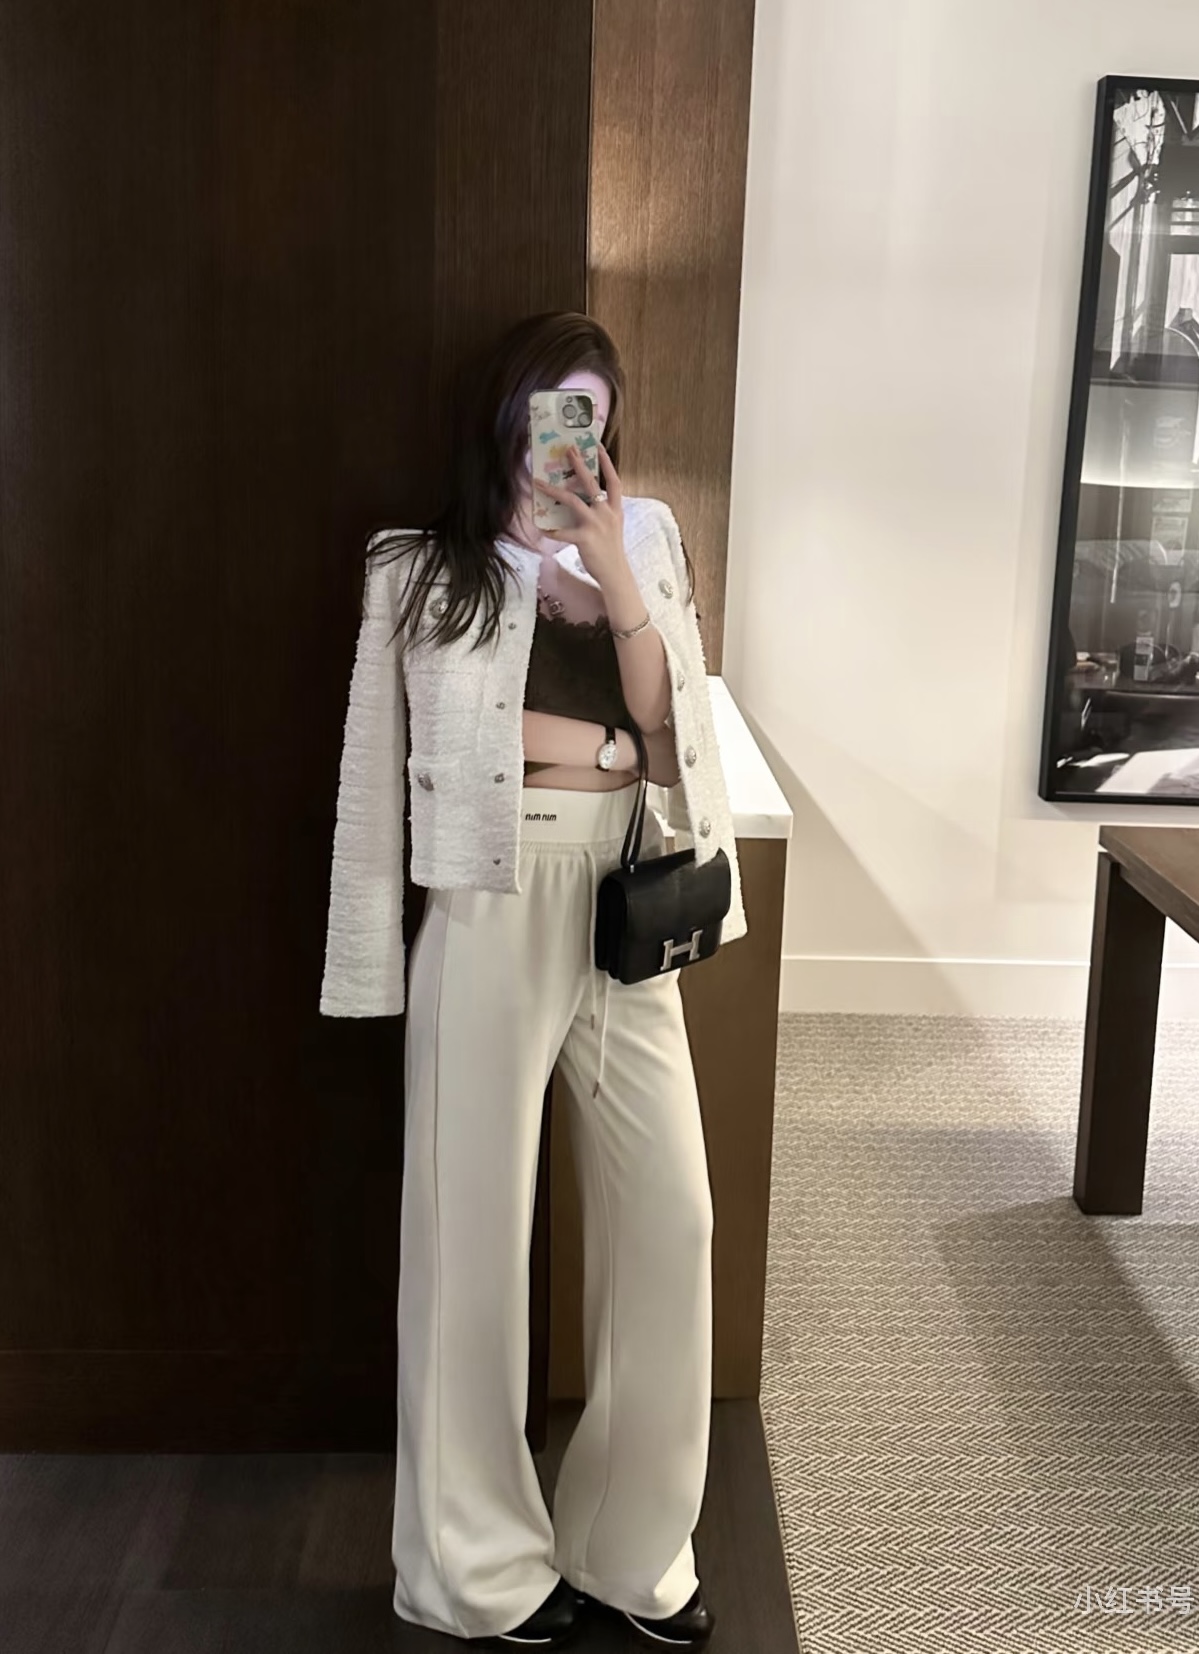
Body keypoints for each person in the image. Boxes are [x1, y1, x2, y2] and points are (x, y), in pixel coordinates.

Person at [319, 311, 747, 1649]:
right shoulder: (424, 566)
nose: (576, 436)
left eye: (595, 415)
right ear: (509, 412)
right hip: (489, 900)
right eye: (555, 407)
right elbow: (417, 757)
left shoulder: (649, 538)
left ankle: (632, 1547)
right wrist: (606, 746)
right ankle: (476, 1569)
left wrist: (615, 574)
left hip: (627, 897)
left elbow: (671, 717)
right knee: (470, 1236)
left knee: (672, 1218)